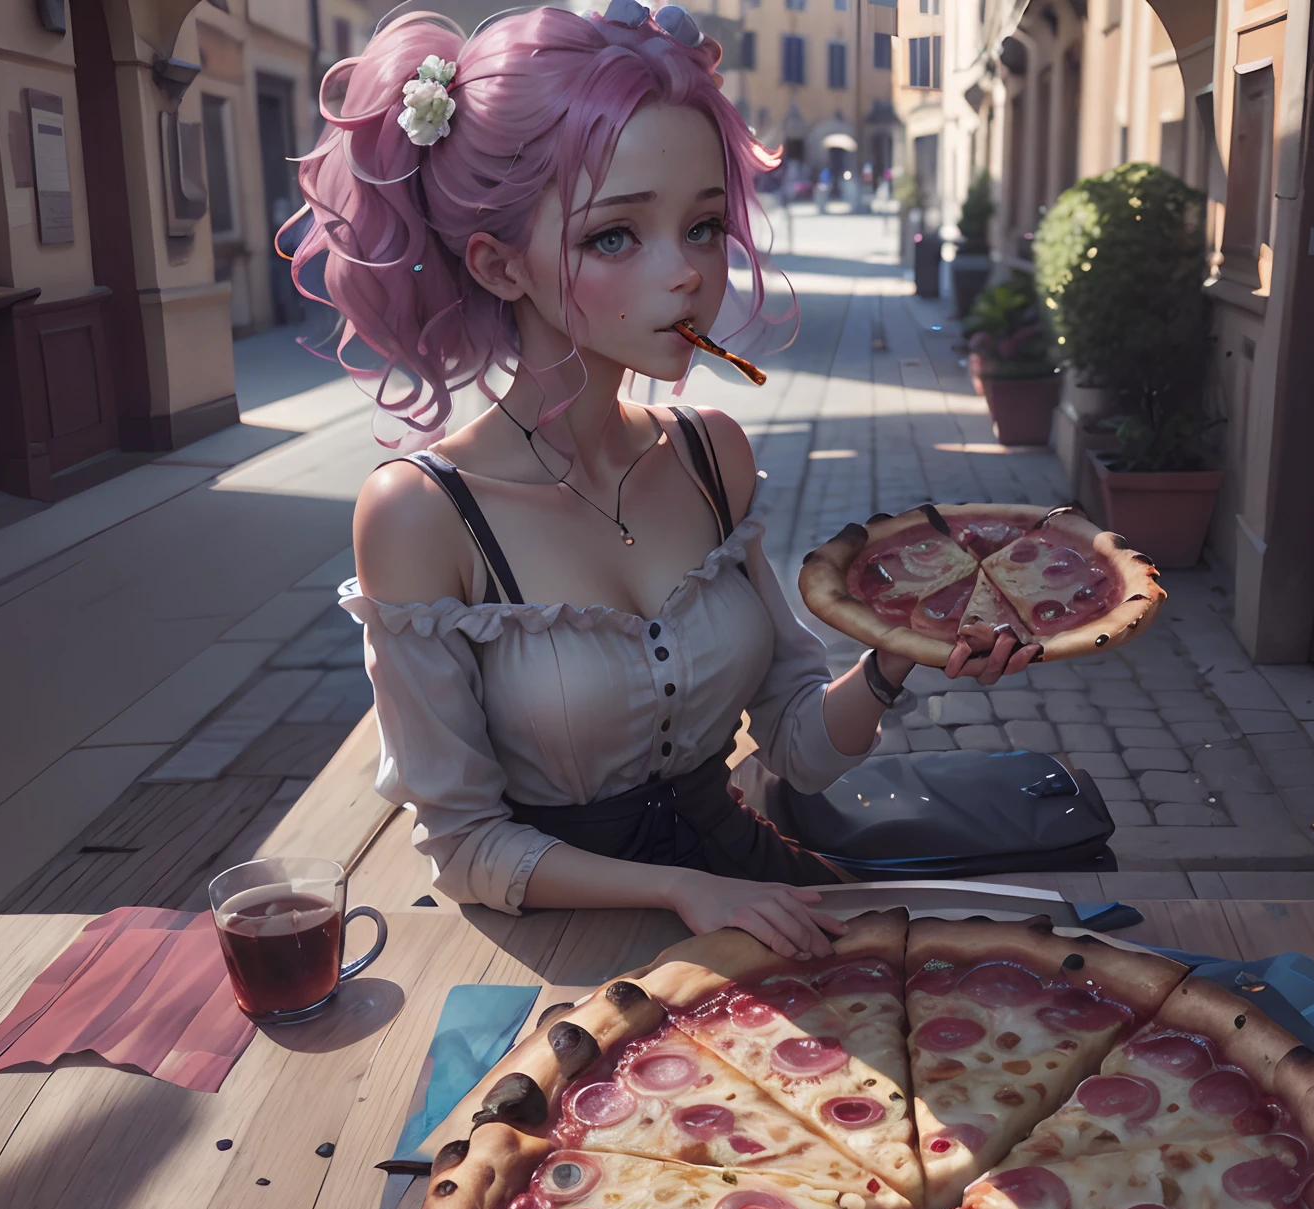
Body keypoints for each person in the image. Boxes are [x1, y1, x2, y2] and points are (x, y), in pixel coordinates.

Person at [289, 4, 1038, 960]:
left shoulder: (710, 453)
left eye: (702, 226)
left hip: (754, 896)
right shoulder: (423, 513)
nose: (686, 274)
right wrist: (680, 889)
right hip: (564, 951)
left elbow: (798, 747)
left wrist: (897, 657)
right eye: (615, 237)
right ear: (497, 262)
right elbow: (463, 845)